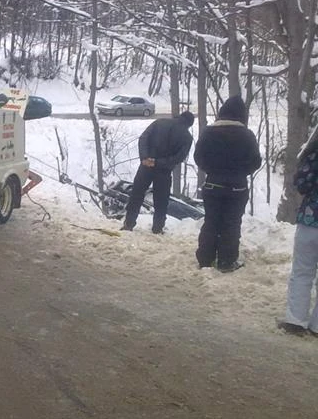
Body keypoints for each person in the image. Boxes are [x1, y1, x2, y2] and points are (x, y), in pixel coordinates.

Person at [194, 95, 262, 272]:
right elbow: (255, 161)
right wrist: (240, 172)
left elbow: (198, 157)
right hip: (237, 187)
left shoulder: (208, 132)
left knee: (211, 221)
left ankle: (205, 259)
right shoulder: (247, 135)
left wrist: (212, 170)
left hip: (212, 184)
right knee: (231, 223)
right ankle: (226, 261)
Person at [120, 110, 195, 233]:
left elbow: (143, 138)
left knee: (137, 194)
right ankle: (157, 228)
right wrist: (159, 162)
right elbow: (179, 157)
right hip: (163, 171)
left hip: (146, 166)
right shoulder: (187, 137)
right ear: (189, 124)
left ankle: (129, 223)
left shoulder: (159, 122)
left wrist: (145, 157)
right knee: (161, 201)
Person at [278, 136, 318, 335]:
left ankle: (296, 320)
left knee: (302, 271)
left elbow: (301, 183)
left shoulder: (315, 155)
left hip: (311, 221)